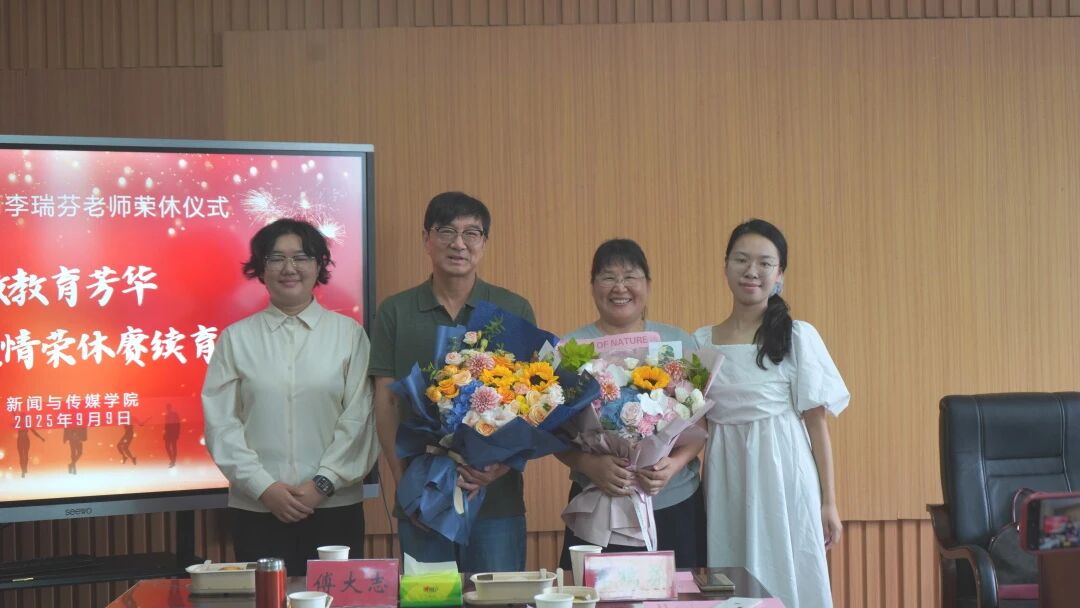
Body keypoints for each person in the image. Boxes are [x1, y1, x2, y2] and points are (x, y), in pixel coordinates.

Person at [201, 218, 378, 575]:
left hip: (334, 509)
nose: (289, 268)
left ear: (319, 265)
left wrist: (323, 483)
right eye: (276, 258)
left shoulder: (349, 335)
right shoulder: (236, 339)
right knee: (267, 599)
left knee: (338, 599)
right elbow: (221, 424)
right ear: (261, 268)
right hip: (258, 509)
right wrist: (264, 487)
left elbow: (360, 418)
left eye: (301, 257)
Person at [370, 191, 535, 572]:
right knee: (431, 597)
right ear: (426, 239)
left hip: (497, 501)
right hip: (423, 495)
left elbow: (533, 402)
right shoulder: (395, 311)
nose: (459, 244)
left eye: (471, 233)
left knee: (499, 598)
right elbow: (386, 402)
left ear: (484, 242)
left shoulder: (513, 308)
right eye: (446, 231)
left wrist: (497, 469)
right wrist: (405, 482)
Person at [694, 219, 849, 608]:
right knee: (731, 571)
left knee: (788, 570)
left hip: (785, 474)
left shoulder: (797, 336)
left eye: (765, 263)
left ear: (779, 274)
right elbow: (696, 427)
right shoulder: (700, 342)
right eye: (741, 260)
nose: (752, 271)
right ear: (725, 266)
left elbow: (817, 426)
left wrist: (829, 502)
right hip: (726, 475)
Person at [557, 238, 706, 569]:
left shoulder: (677, 342)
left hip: (672, 500)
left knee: (678, 593)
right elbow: (555, 434)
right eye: (608, 277)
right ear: (592, 286)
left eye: (630, 276)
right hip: (599, 504)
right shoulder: (570, 349)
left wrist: (673, 465)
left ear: (648, 285)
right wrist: (589, 464)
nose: (619, 287)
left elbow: (700, 424)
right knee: (595, 594)